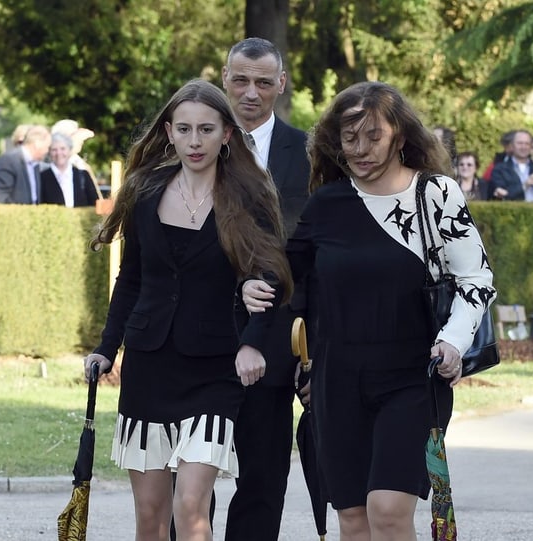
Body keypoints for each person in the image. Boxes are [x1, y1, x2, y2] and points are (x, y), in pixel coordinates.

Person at [242, 81, 496, 541]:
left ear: (400, 133)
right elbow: (286, 279)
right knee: (354, 520)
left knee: (388, 511)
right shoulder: (327, 204)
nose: (359, 149)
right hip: (336, 381)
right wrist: (254, 288)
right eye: (348, 137)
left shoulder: (436, 195)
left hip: (414, 378)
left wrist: (453, 342)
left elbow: (476, 280)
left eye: (372, 136)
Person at [81, 78, 292, 541]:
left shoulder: (246, 197)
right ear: (170, 133)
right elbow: (131, 278)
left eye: (206, 130)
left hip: (215, 368)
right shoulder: (145, 191)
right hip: (149, 365)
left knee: (191, 503)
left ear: (227, 135)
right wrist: (106, 347)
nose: (195, 142)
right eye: (184, 129)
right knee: (151, 515)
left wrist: (253, 344)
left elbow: (270, 275)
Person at [219, 36, 310, 541]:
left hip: (277, 342)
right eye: (240, 80)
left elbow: (312, 254)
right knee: (190, 478)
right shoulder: (199, 141)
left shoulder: (311, 152)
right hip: (203, 334)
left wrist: (309, 346)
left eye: (262, 82)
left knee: (263, 476)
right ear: (225, 80)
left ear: (280, 84)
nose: (250, 93)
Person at [0, 124, 51, 204]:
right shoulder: (8, 162)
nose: (48, 151)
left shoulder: (35, 166)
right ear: (37, 143)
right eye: (47, 147)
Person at [39, 132, 99, 207]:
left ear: (70, 151)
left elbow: (95, 204)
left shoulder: (83, 175)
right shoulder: (42, 177)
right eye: (54, 149)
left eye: (63, 148)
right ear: (49, 152)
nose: (59, 153)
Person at [490, 129, 533, 201]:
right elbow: (503, 195)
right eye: (520, 143)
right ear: (512, 146)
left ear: (531, 146)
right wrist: (525, 185)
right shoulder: (500, 169)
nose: (523, 147)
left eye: (527, 144)